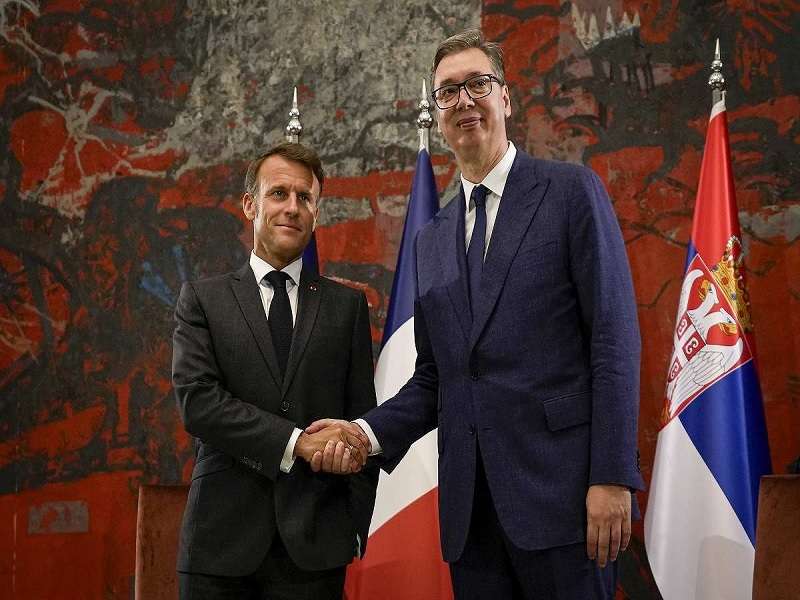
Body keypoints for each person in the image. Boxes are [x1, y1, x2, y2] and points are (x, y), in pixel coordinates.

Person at [305, 30, 644, 599]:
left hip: (565, 499)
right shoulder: (432, 240)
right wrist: (363, 433)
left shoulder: (570, 193)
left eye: (477, 84)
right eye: (447, 91)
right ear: (437, 115)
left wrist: (611, 476)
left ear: (505, 98)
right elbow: (436, 378)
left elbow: (614, 342)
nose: (463, 100)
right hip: (471, 519)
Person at [171, 142, 377, 599]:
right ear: (250, 205)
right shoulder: (203, 299)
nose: (292, 207)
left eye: (305, 197)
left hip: (316, 551)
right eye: (279, 193)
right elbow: (199, 404)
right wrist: (297, 442)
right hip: (219, 550)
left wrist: (354, 526)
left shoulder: (347, 307)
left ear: (316, 212)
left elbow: (362, 421)